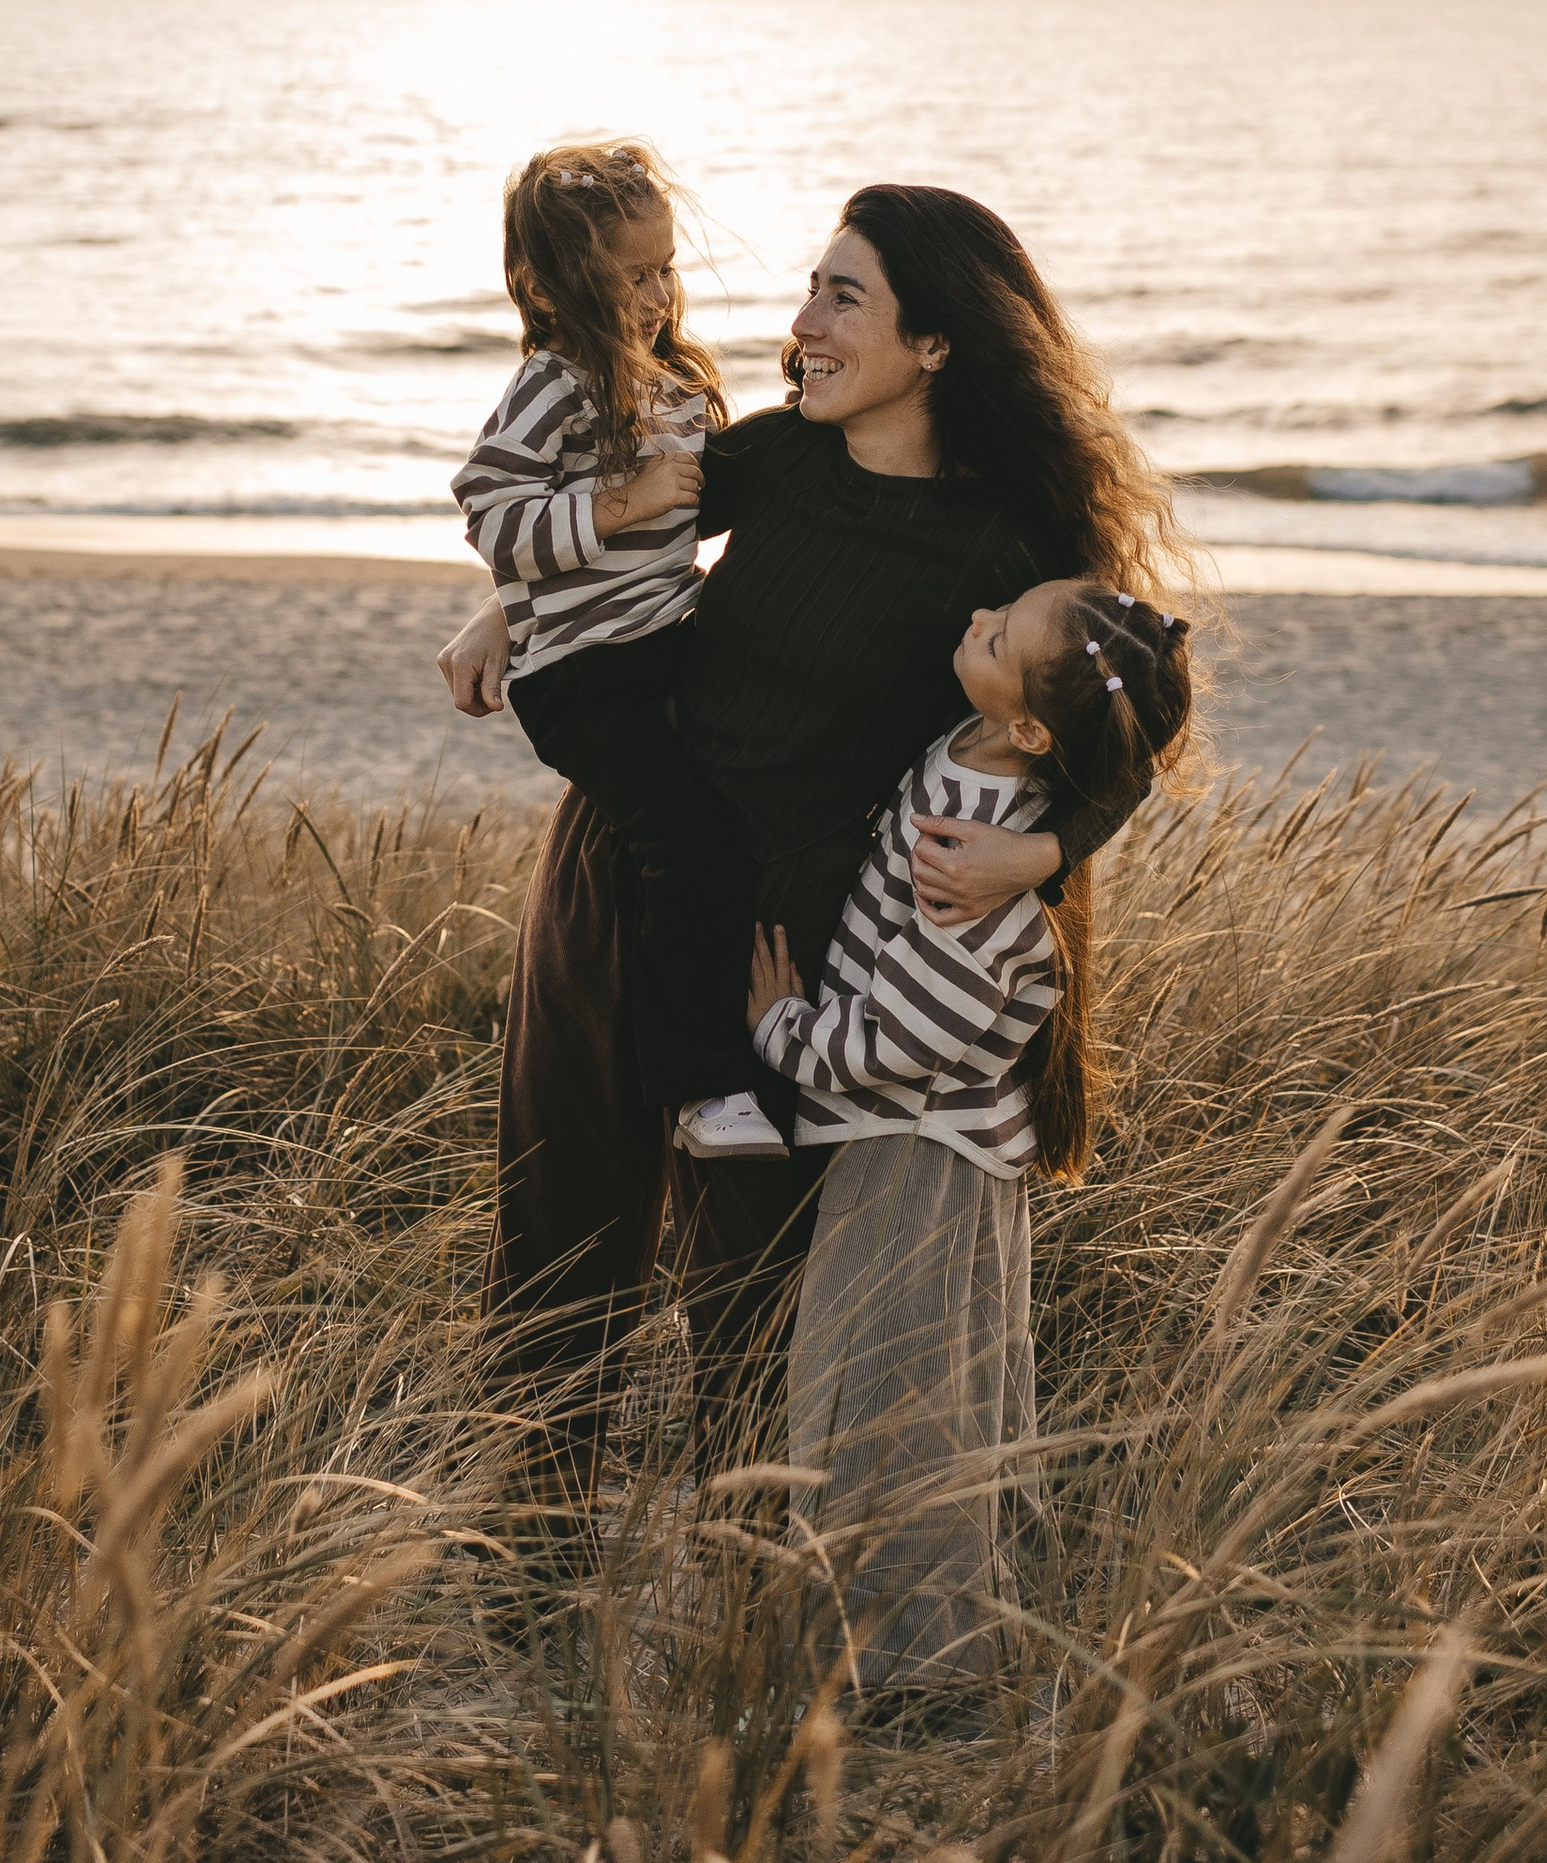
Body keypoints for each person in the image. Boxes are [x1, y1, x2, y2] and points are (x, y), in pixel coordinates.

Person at [437, 179, 1183, 1512]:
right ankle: (534, 1557)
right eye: (811, 290)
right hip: (619, 861)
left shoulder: (1006, 546)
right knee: (561, 1231)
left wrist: (1043, 856)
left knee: (751, 1284)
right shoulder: (776, 455)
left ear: (937, 343)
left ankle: (744, 1597)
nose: (802, 323)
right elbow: (608, 513)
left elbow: (1129, 734)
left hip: (797, 930)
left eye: (845, 296)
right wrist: (508, 608)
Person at [754, 580, 1192, 1700]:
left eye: (998, 632)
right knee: (893, 1379)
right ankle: (883, 1640)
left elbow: (910, 1030)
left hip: (920, 1151)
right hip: (915, 1135)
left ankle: (913, 1667)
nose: (978, 615)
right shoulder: (982, 754)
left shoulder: (977, 845)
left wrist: (787, 1034)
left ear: (1033, 726)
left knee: (889, 1394)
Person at [451, 138, 765, 1132]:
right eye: (631, 275)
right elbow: (492, 518)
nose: (657, 293)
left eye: (666, 268)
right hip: (583, 678)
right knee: (688, 837)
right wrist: (618, 504)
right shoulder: (555, 382)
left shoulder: (673, 386)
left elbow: (685, 520)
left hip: (659, 636)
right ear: (549, 287)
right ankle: (697, 1084)